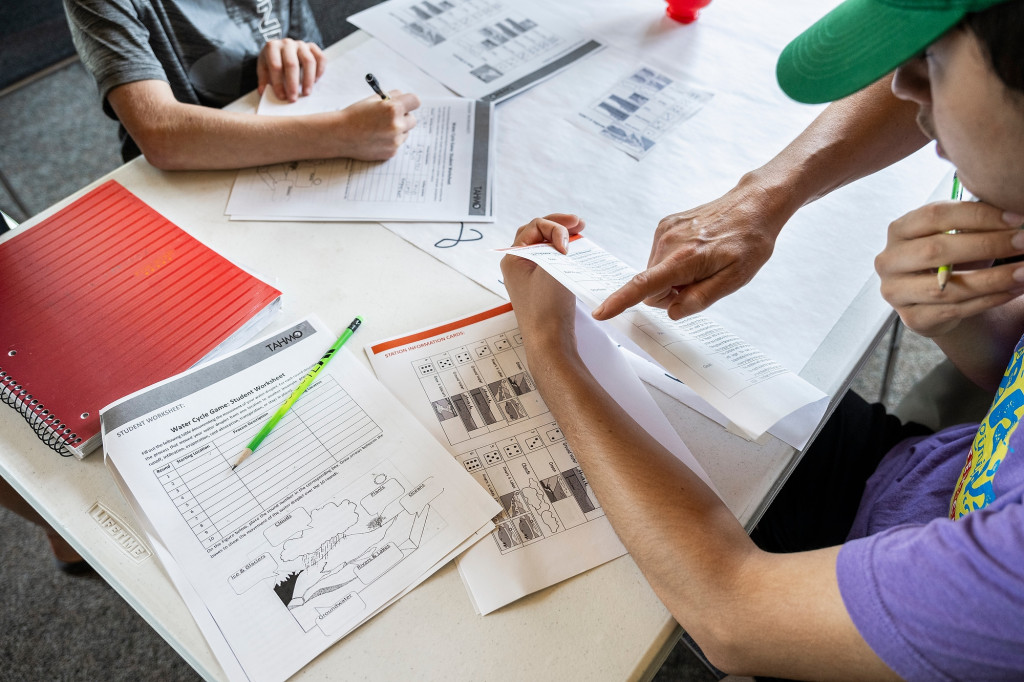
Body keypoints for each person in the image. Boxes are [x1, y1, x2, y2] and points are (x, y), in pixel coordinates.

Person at [501, 0, 1024, 678]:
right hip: (922, 484)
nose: (902, 89)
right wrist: (969, 327)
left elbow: (730, 614)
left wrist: (551, 347)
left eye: (936, 63)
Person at [62, 0, 420, 168]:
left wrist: (290, 51)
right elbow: (161, 136)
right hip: (183, 178)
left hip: (287, 134)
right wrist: (342, 134)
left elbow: (312, 54)